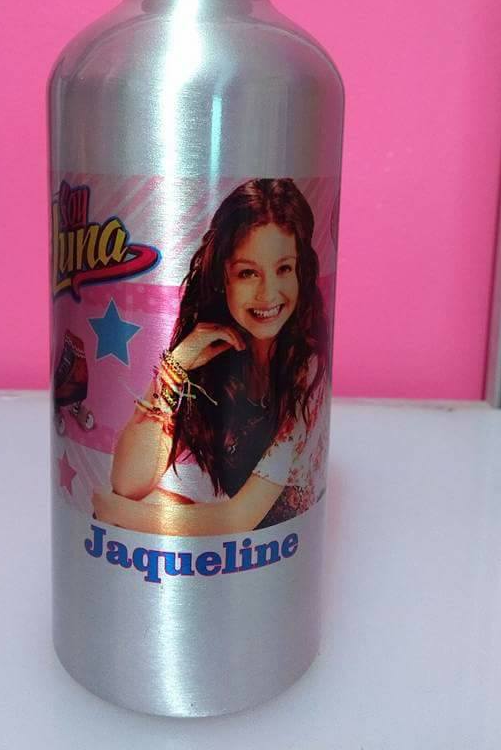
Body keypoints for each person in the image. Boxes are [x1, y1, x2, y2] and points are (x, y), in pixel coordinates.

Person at [92, 178, 329, 536]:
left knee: (125, 513)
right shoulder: (221, 358)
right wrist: (176, 365)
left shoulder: (308, 369)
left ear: (301, 271)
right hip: (234, 545)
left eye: (283, 268)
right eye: (248, 273)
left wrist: (112, 509)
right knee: (146, 501)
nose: (269, 293)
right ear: (223, 279)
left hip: (274, 546)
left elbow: (239, 518)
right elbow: (128, 483)